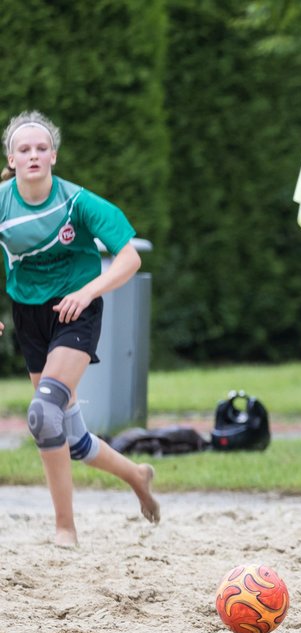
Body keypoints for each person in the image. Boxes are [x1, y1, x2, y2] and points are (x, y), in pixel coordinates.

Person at [0, 111, 159, 547]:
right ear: (11, 160)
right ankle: (136, 475)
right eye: (23, 149)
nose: (33, 155)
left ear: (53, 155)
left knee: (43, 412)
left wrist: (88, 293)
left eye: (40, 148)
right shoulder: (2, 202)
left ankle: (64, 529)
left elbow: (129, 258)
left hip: (75, 312)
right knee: (66, 435)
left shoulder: (77, 203)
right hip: (29, 315)